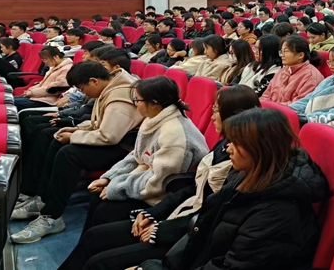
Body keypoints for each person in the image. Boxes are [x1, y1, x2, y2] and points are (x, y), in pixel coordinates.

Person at [57, 86, 263, 270]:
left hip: (187, 230)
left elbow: (211, 217)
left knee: (100, 256)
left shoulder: (240, 163)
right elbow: (194, 185)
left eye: (216, 110)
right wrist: (152, 213)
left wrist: (162, 227)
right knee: (95, 235)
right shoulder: (225, 144)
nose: (211, 116)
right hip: (181, 211)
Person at [130, 108, 328, 270]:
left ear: (260, 148)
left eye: (236, 143)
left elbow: (234, 264)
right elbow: (203, 231)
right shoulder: (245, 175)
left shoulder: (276, 213)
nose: (228, 149)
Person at [12, 61, 143, 244]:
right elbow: (99, 123)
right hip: (115, 138)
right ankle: (42, 199)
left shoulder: (120, 98)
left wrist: (74, 137)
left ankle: (52, 217)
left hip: (125, 148)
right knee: (56, 139)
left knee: (70, 154)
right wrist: (76, 129)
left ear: (94, 81)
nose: (83, 93)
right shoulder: (111, 86)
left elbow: (109, 136)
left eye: (82, 88)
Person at [76, 77, 209, 234]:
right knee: (97, 198)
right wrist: (110, 178)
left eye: (138, 100)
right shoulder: (153, 118)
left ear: (154, 103)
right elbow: (138, 155)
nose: (135, 104)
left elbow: (158, 182)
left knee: (105, 211)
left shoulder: (175, 136)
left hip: (163, 195)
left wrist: (118, 187)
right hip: (143, 181)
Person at [261, 35, 324, 105]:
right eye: (281, 52)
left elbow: (299, 105)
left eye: (286, 51)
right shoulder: (283, 70)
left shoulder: (311, 76)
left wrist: (272, 107)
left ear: (300, 55)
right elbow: (266, 95)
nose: (282, 55)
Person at [12, 46, 73, 111]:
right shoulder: (54, 67)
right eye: (43, 59)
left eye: (46, 59)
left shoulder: (66, 69)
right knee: (9, 100)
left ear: (56, 57)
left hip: (48, 101)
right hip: (40, 97)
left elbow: (53, 89)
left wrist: (32, 93)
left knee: (11, 102)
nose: (45, 61)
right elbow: (42, 83)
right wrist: (30, 91)